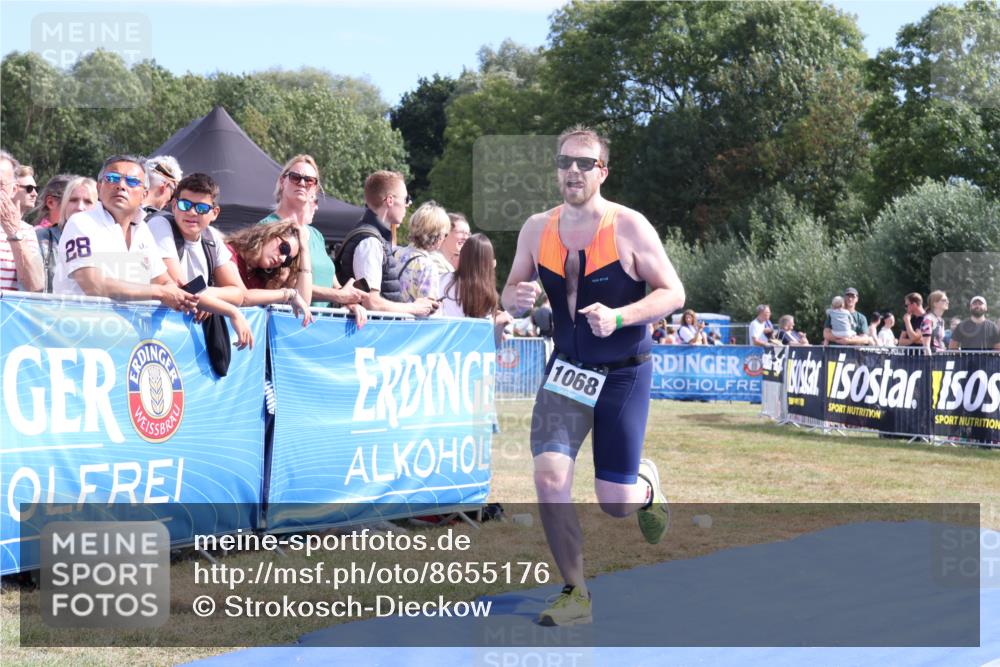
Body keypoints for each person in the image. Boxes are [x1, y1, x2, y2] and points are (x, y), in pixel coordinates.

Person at [501, 125, 684, 627]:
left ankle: (644, 486)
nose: (573, 172)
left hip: (624, 373)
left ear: (603, 170)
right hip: (566, 371)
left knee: (616, 503)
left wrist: (622, 317)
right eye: (564, 163)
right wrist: (512, 298)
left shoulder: (629, 226)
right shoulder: (537, 228)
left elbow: (674, 293)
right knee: (549, 476)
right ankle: (574, 592)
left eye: (584, 163)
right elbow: (512, 287)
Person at [52, 154, 197, 312]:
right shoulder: (81, 223)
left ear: (145, 194)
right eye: (112, 178)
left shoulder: (143, 230)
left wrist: (185, 298)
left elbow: (163, 281)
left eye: (132, 181)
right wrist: (161, 292)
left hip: (128, 333)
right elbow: (94, 285)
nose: (121, 185)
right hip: (77, 331)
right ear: (99, 188)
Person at [147, 173, 255, 347]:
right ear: (174, 206)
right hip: (152, 334)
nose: (191, 212)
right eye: (185, 204)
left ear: (214, 213)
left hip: (187, 342)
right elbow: (180, 289)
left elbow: (238, 293)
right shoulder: (160, 225)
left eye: (201, 208)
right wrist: (230, 311)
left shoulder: (211, 238)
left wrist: (205, 295)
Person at [262, 155, 365, 311]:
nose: (302, 183)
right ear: (282, 181)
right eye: (295, 177)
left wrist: (349, 302)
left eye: (309, 180)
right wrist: (337, 295)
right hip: (288, 323)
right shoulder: (268, 227)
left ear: (315, 189)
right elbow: (282, 283)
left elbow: (332, 282)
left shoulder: (316, 235)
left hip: (322, 327)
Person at [334, 170, 437, 317]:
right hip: (371, 334)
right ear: (389, 200)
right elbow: (372, 303)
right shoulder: (370, 242)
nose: (408, 204)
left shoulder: (372, 238)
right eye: (406, 199)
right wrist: (414, 308)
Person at [227, 220, 314, 327]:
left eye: (288, 260)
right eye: (284, 249)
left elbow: (303, 302)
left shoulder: (263, 276)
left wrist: (305, 250)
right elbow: (243, 298)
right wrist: (288, 294)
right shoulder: (227, 252)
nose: (282, 259)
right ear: (270, 235)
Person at [438, 233, 512, 345]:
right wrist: (500, 320)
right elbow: (478, 327)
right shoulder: (484, 291)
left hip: (444, 345)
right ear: (487, 262)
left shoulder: (442, 279)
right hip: (468, 350)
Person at [37, 176, 97, 292]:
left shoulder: (109, 241)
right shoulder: (40, 238)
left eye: (88, 201)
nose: (80, 207)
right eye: (73, 200)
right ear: (65, 204)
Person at [0, 149, 44, 292]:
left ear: (13, 190)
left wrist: (14, 232)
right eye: (29, 188)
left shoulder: (25, 231)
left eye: (0, 184)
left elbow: (35, 286)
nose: (34, 193)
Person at [395, 201, 453, 301]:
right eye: (445, 235)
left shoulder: (395, 253)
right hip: (410, 316)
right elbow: (427, 308)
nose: (444, 239)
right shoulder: (428, 266)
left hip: (388, 314)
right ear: (436, 236)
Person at [920, 290, 949, 355]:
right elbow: (926, 346)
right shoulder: (928, 319)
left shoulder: (941, 320)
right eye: (944, 300)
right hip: (932, 359)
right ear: (934, 303)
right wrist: (929, 361)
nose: (947, 302)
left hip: (940, 357)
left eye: (947, 300)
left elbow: (940, 341)